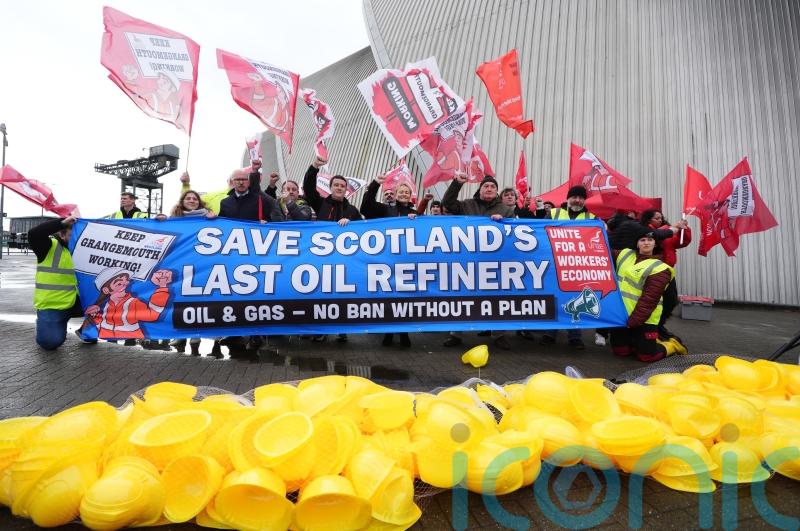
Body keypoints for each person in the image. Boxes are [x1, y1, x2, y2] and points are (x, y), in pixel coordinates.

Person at [442, 174, 514, 350]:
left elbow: (513, 233)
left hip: (494, 263)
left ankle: (499, 335)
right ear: (480, 189)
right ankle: (456, 334)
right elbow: (447, 203)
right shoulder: (467, 205)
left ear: (496, 191)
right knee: (462, 297)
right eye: (486, 186)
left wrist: (503, 223)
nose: (489, 188)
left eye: (492, 187)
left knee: (496, 299)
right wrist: (457, 183)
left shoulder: (506, 210)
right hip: (467, 261)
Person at [303, 154, 361, 342]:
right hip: (322, 260)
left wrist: (350, 223)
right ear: (331, 187)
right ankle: (320, 328)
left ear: (346, 190)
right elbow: (309, 187)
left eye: (342, 186)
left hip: (344, 261)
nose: (339, 188)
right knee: (320, 296)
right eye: (336, 185)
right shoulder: (320, 203)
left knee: (342, 296)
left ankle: (342, 328)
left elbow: (363, 232)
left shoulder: (353, 210)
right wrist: (314, 167)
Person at [156, 191, 221, 357]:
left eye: (195, 198)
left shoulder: (209, 218)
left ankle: (195, 339)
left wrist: (216, 220)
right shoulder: (173, 220)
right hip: (180, 267)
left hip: (202, 267)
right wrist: (160, 221)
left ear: (199, 202)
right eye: (188, 198)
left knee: (198, 302)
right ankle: (181, 336)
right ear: (182, 201)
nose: (191, 200)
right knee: (180, 302)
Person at [610, 228, 686, 362]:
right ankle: (638, 342)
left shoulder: (660, 268)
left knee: (647, 356)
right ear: (637, 243)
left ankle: (673, 344)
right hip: (622, 314)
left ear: (655, 244)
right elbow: (601, 254)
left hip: (644, 318)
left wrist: (633, 322)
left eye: (650, 240)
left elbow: (648, 301)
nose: (646, 243)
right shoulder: (624, 254)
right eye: (642, 240)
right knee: (621, 351)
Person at [360, 173, 418, 347]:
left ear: (410, 195)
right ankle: (388, 331)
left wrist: (416, 220)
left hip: (407, 261)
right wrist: (376, 184)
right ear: (396, 193)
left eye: (407, 192)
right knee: (388, 298)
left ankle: (404, 333)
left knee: (406, 300)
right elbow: (365, 207)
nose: (403, 195)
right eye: (401, 191)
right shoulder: (385, 210)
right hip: (387, 260)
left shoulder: (415, 214)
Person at [540, 185, 595, 349]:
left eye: (580, 197)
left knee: (578, 301)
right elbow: (540, 231)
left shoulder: (591, 217)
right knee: (554, 298)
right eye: (574, 197)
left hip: (579, 267)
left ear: (584, 200)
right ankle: (550, 333)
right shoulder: (554, 213)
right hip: (555, 264)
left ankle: (575, 336)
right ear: (568, 198)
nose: (577, 200)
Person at [29, 215, 93, 350]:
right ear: (62, 234)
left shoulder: (83, 248)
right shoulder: (47, 247)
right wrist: (62, 222)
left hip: (77, 302)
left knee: (111, 301)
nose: (76, 238)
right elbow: (34, 233)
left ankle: (87, 331)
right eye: (72, 235)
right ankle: (47, 323)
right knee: (50, 343)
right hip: (53, 306)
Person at [641, 209, 691, 343]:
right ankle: (651, 328)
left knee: (671, 300)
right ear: (649, 219)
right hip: (653, 273)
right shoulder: (646, 231)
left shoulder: (668, 232)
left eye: (661, 218)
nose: (660, 220)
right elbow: (656, 235)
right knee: (655, 302)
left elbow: (682, 242)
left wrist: (683, 230)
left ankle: (659, 325)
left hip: (667, 272)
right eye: (656, 218)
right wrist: (673, 227)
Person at [85, 268, 172, 340]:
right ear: (106, 290)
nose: (124, 284)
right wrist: (93, 315)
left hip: (131, 348)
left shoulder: (132, 303)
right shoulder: (105, 305)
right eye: (119, 283)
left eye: (126, 280)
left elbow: (153, 314)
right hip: (111, 350)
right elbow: (104, 322)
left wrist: (162, 286)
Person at [180, 160, 265, 214]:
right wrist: (186, 185)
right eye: (234, 179)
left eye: (242, 179)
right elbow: (189, 202)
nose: (239, 182)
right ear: (229, 181)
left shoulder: (250, 196)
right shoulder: (212, 196)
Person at [218, 168, 284, 222]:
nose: (241, 182)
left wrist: (266, 223)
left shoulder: (261, 200)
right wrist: (211, 217)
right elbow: (222, 224)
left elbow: (271, 221)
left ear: (249, 182)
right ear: (232, 182)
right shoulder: (224, 203)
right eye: (237, 179)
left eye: (244, 179)